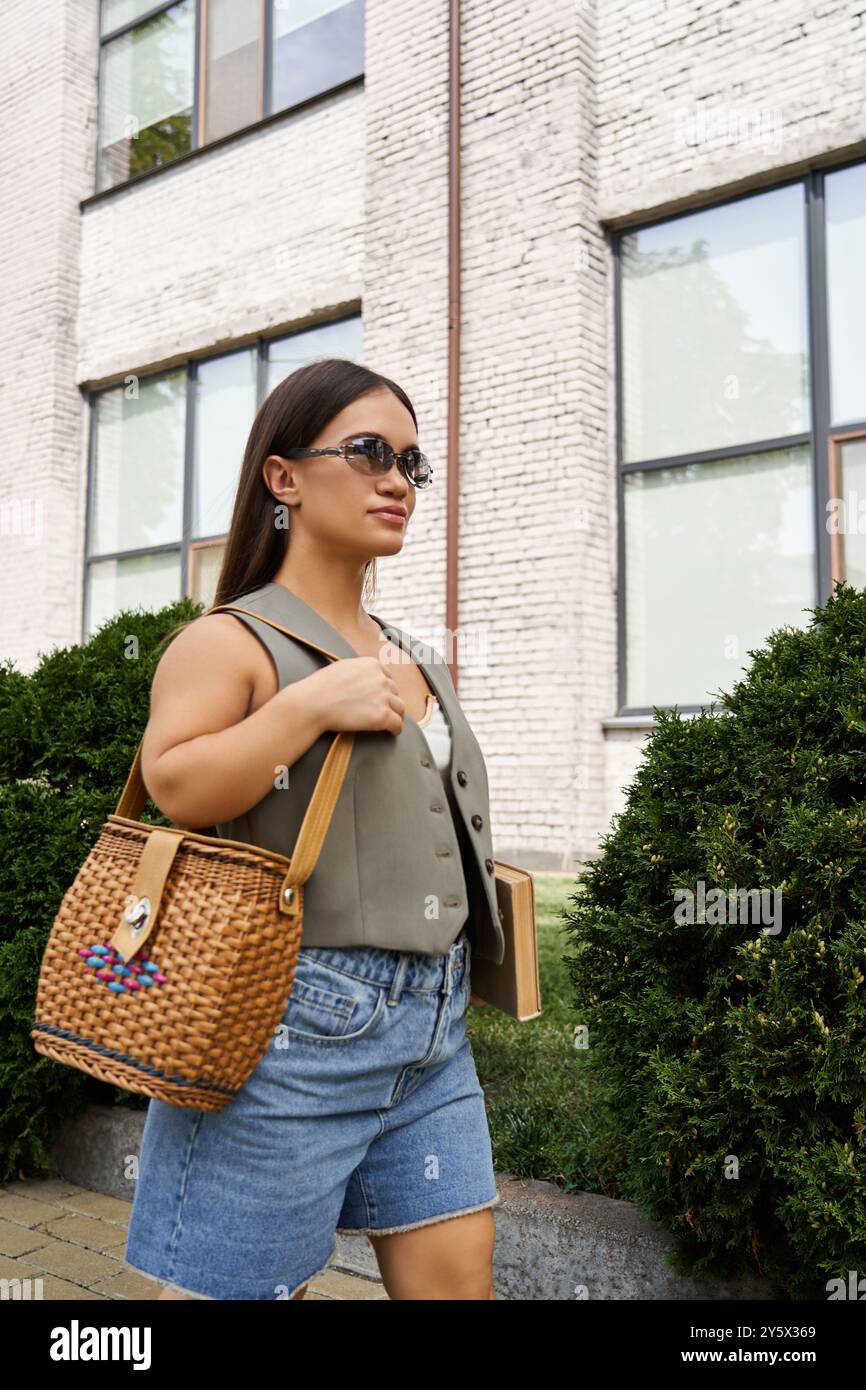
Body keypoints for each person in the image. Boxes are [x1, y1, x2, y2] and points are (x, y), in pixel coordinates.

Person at [123, 357, 502, 1301]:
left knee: (461, 1287)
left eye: (411, 464)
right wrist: (310, 707)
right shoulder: (230, 640)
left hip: (434, 1032)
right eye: (369, 451)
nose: (396, 481)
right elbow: (175, 783)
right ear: (282, 478)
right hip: (288, 1029)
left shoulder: (411, 653)